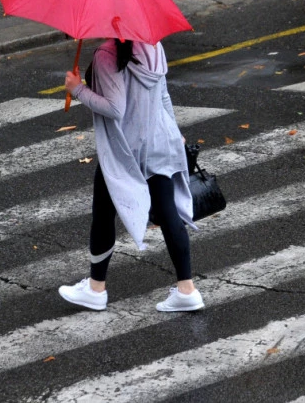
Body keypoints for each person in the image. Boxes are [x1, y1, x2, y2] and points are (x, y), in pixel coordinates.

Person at [58, 38, 204, 312]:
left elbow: (115, 109)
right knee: (168, 212)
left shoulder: (106, 54)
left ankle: (95, 288)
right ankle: (187, 289)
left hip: (126, 149)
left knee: (103, 214)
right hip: (159, 140)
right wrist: (174, 133)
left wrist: (77, 89)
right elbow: (163, 95)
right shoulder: (153, 44)